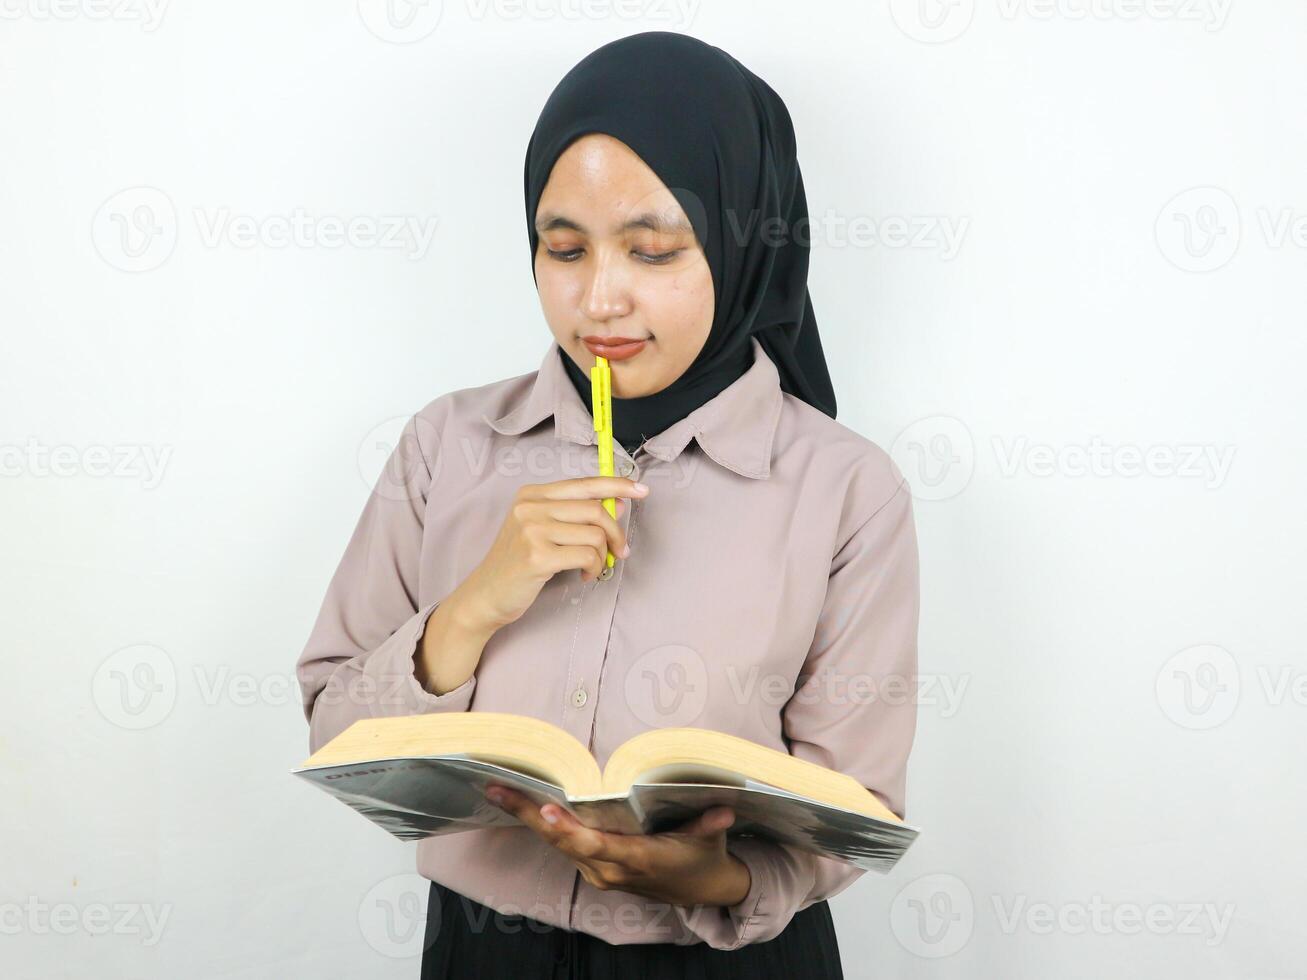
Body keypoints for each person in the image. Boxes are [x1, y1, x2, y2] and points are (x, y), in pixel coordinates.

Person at [296, 31, 920, 979]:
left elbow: (856, 810)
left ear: (742, 242)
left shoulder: (845, 488)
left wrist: (711, 879)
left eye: (653, 251)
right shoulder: (446, 446)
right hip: (481, 955)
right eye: (563, 248)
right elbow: (336, 740)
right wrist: (473, 605)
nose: (599, 300)